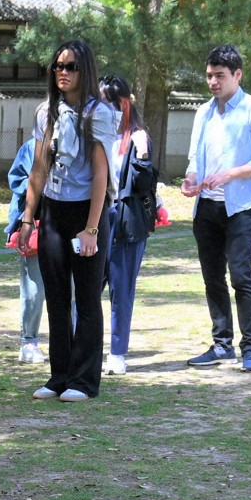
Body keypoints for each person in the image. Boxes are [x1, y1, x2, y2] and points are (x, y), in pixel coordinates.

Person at [17, 39, 117, 402]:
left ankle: (84, 381)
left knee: (87, 298)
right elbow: (39, 169)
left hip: (87, 211)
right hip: (54, 211)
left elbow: (100, 177)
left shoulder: (98, 113)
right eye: (57, 66)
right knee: (56, 296)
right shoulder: (47, 112)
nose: (62, 72)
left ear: (84, 71)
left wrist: (91, 229)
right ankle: (59, 376)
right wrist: (28, 219)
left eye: (70, 66)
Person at [180, 44, 251, 372]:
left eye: (220, 75)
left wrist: (230, 174)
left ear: (238, 75)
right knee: (211, 277)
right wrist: (191, 179)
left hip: (241, 206)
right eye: (209, 75)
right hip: (206, 207)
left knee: (241, 275)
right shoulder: (203, 112)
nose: (213, 82)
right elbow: (195, 157)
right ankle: (222, 344)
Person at [99, 75, 151, 376]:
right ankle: (83, 348)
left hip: (127, 221)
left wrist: (143, 155)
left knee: (121, 289)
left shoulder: (138, 137)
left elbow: (144, 185)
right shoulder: (97, 135)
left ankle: (117, 353)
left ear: (122, 104)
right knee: (87, 287)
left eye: (107, 103)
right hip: (97, 218)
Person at [6, 137, 47, 364]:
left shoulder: (78, 142)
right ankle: (28, 341)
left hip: (67, 224)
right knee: (33, 287)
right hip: (35, 225)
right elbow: (16, 179)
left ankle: (71, 340)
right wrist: (38, 184)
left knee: (71, 288)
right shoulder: (31, 147)